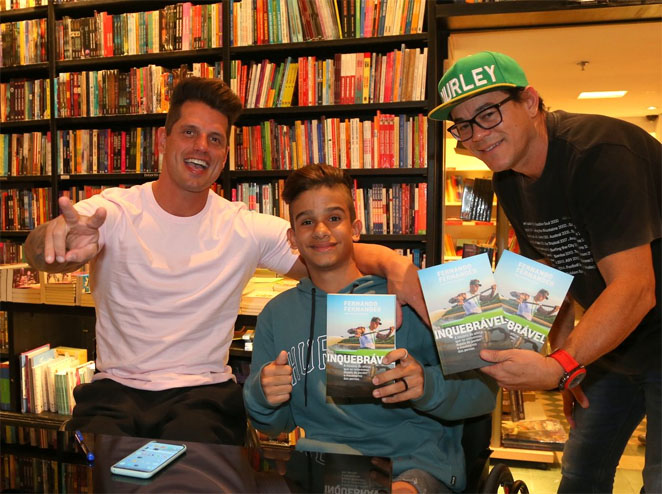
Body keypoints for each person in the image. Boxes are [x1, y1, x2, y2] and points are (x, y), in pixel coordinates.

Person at [24, 77, 428, 445]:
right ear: (164, 140)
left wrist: (394, 265)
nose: (202, 146)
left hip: (203, 395)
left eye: (215, 139)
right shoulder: (111, 211)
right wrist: (53, 244)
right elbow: (42, 251)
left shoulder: (244, 227)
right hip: (115, 390)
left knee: (200, 474)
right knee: (95, 473)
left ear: (225, 154)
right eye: (190, 132)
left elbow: (326, 250)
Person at [428, 51, 661, 493]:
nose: (477, 135)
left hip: (647, 323)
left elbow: (635, 287)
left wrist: (560, 364)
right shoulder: (509, 177)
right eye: (463, 125)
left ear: (531, 101)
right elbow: (549, 272)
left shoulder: (599, 154)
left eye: (488, 113)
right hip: (614, 343)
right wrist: (564, 361)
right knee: (580, 473)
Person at [243, 164, 497, 494]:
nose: (321, 230)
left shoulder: (412, 295)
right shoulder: (276, 315)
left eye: (334, 218)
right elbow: (276, 424)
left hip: (412, 467)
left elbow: (483, 393)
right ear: (292, 238)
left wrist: (427, 385)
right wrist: (262, 396)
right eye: (306, 221)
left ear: (356, 227)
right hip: (321, 467)